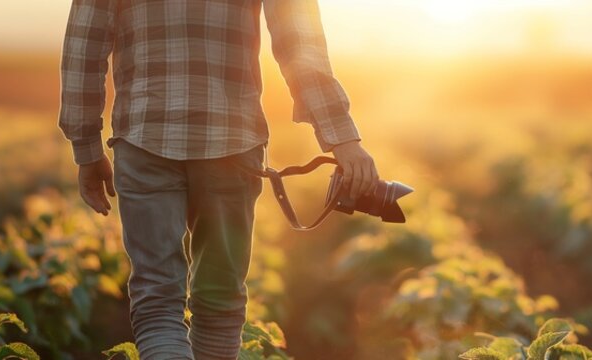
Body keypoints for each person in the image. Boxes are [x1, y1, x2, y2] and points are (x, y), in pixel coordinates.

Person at [57, 0, 378, 358]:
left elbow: (85, 41)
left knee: (158, 303)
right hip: (232, 143)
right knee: (220, 301)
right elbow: (298, 39)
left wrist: (85, 147)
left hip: (144, 137)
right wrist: (341, 138)